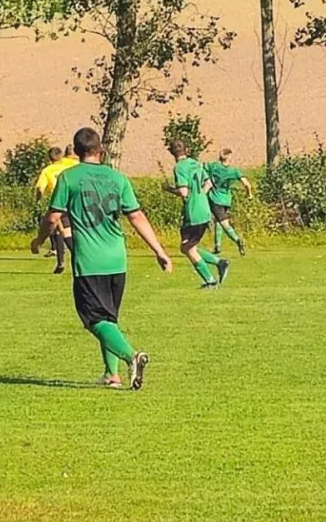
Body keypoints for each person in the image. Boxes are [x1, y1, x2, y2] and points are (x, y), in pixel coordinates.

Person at [46, 126, 172, 389]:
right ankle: (111, 374)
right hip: (117, 260)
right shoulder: (118, 179)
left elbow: (53, 217)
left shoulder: (68, 178)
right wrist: (159, 251)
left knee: (94, 319)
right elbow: (137, 216)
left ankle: (131, 357)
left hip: (90, 261)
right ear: (100, 150)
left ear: (76, 151)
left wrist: (38, 240)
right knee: (109, 318)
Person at [168, 139, 228, 288]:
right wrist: (200, 195)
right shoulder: (196, 164)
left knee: (187, 248)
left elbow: (184, 192)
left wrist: (168, 189)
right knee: (187, 247)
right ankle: (219, 263)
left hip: (193, 212)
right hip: (204, 208)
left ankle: (210, 280)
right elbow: (208, 183)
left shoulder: (179, 167)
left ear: (172, 152)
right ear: (186, 150)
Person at [30, 144, 77, 273]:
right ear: (61, 156)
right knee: (61, 230)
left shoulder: (47, 170)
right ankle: (61, 262)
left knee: (61, 231)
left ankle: (70, 259)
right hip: (75, 201)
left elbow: (40, 188)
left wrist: (38, 200)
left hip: (59, 203)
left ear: (49, 158)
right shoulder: (71, 165)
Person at [205, 148, 252, 256]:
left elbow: (201, 168)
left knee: (223, 223)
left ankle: (238, 240)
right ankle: (217, 246)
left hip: (215, 199)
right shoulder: (234, 171)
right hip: (226, 200)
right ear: (229, 157)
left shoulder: (213, 166)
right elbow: (246, 184)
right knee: (218, 221)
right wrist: (249, 194)